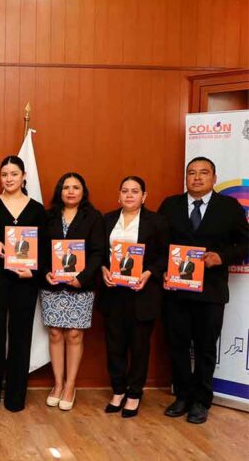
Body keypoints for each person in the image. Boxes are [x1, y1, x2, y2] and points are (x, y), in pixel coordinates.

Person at [158, 157, 248, 424]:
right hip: (176, 290)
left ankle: (201, 401)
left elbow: (245, 243)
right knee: (177, 346)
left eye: (203, 173)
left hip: (211, 291)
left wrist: (222, 256)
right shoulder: (170, 205)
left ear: (214, 178)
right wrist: (163, 270)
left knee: (206, 348)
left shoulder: (229, 207)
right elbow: (158, 244)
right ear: (186, 178)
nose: (197, 178)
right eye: (192, 173)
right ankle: (182, 396)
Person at [0, 156, 47, 412]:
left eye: (14, 174)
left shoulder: (37, 209)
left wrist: (34, 271)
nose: (9, 179)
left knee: (21, 335)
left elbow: (45, 247)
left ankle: (16, 397)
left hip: (25, 280)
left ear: (24, 176)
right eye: (4, 174)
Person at [99, 176, 168, 418]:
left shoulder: (156, 222)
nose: (129, 195)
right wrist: (103, 270)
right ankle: (118, 390)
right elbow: (99, 253)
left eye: (135, 191)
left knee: (139, 347)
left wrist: (149, 273)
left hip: (142, 294)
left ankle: (134, 393)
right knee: (114, 345)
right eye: (125, 191)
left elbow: (165, 256)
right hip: (113, 293)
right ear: (119, 195)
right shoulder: (107, 220)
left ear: (144, 196)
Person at [41, 172, 105, 411]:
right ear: (59, 191)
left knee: (75, 334)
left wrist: (82, 278)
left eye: (76, 187)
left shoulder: (93, 217)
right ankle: (58, 384)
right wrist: (45, 272)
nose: (70, 191)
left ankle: (70, 385)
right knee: (55, 333)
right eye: (66, 187)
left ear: (83, 192)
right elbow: (39, 251)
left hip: (80, 286)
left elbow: (98, 252)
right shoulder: (48, 216)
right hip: (53, 284)